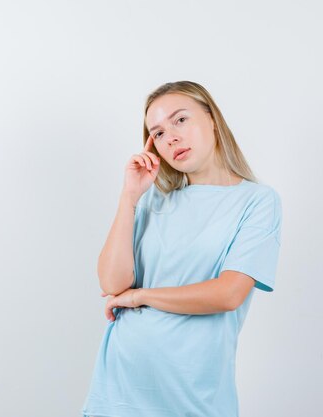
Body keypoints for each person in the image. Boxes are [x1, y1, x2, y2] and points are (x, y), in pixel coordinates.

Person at [81, 81, 283, 417]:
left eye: (180, 120)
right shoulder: (152, 202)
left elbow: (228, 294)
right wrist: (129, 197)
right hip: (118, 392)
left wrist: (140, 296)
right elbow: (111, 284)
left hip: (192, 398)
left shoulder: (257, 202)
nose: (170, 137)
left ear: (212, 119)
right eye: (157, 133)